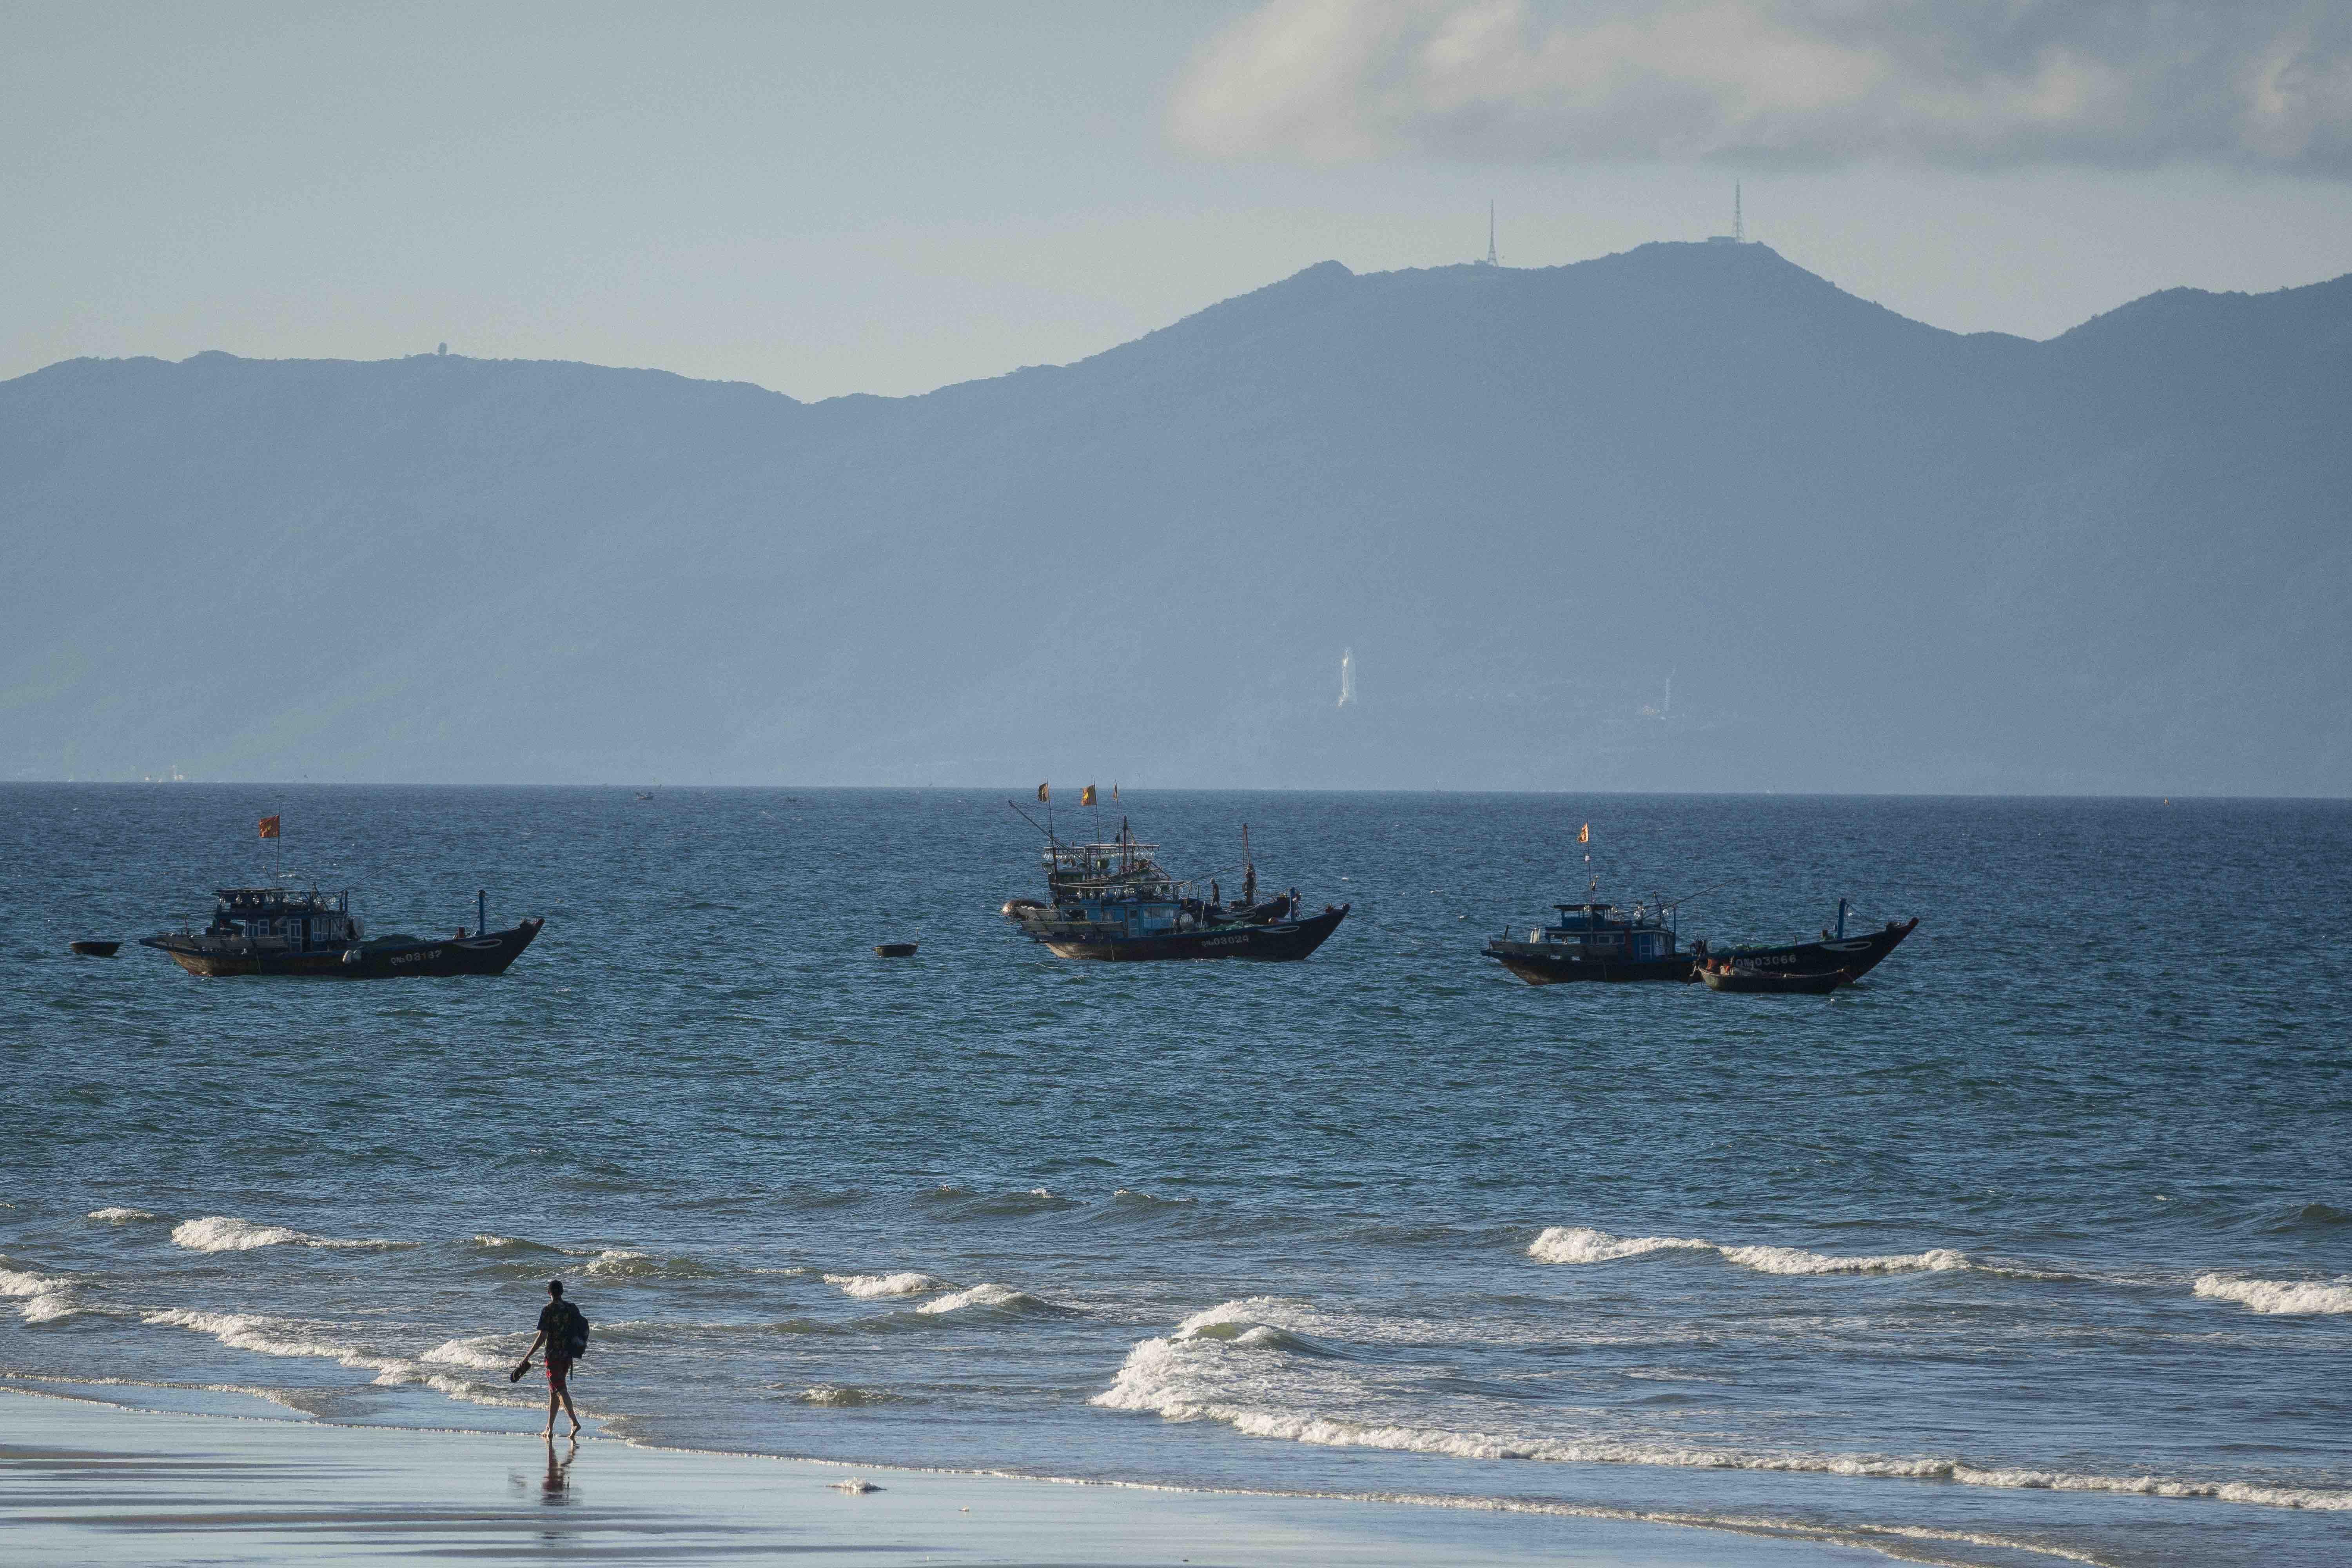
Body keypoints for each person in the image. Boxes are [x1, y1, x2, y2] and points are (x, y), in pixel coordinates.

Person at [515, 1279, 585, 1438]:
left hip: (553, 1356)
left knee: (560, 1390)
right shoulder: (571, 1308)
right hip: (568, 1356)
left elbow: (543, 1336)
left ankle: (574, 1423)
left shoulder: (548, 1310)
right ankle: (549, 1428)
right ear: (562, 1292)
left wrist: (527, 1356)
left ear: (549, 1293)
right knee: (554, 1391)